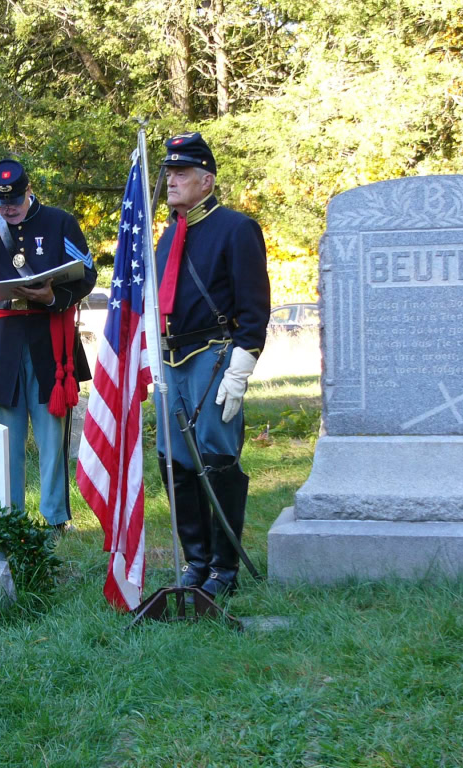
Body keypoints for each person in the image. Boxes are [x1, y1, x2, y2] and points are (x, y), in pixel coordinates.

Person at [153, 132, 270, 598]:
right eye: (169, 173)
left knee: (217, 459)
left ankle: (225, 568)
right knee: (174, 461)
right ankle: (196, 562)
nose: (172, 180)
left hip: (214, 358)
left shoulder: (237, 228)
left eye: (181, 173)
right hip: (169, 358)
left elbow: (255, 308)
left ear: (207, 180)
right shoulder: (167, 235)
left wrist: (240, 368)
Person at [0, 159, 97, 531]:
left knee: (52, 437)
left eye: (15, 200)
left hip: (50, 341)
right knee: (5, 440)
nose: (9, 209)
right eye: (1, 204)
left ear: (28, 191)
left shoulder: (59, 222)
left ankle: (55, 519)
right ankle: (11, 520)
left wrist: (52, 295)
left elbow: (87, 274)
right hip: (3, 347)